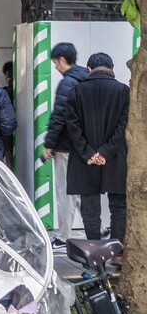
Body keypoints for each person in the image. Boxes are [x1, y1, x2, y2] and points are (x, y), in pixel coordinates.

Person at [65, 52, 129, 255]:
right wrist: (106, 152)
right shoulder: (124, 92)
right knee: (118, 206)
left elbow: (73, 127)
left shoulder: (76, 92)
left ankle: (95, 255)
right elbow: (123, 126)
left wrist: (89, 153)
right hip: (116, 157)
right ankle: (117, 253)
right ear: (112, 69)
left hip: (85, 160)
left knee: (90, 209)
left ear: (89, 70)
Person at [42, 43, 88, 250]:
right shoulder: (86, 78)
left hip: (65, 146)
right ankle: (94, 228)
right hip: (84, 146)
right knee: (81, 190)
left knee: (65, 191)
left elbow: (59, 116)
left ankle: (63, 236)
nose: (55, 67)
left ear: (62, 60)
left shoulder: (67, 83)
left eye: (55, 62)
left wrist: (49, 144)